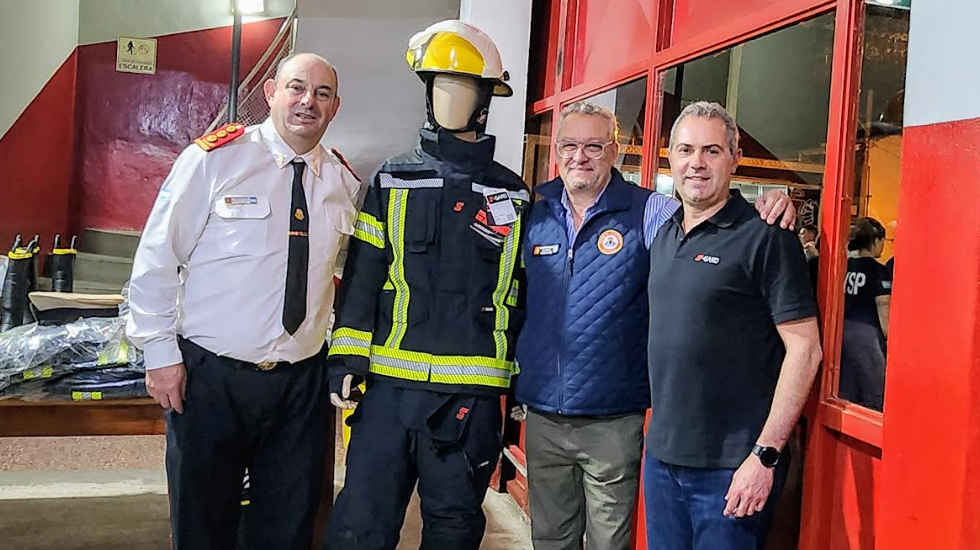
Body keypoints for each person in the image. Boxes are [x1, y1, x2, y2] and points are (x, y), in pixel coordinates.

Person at [513, 101, 797, 550]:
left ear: (615, 150)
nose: (579, 156)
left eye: (593, 145)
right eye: (568, 145)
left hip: (616, 420)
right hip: (547, 416)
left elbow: (708, 208)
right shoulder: (537, 214)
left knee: (610, 542)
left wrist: (772, 201)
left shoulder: (651, 214)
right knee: (549, 539)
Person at [126, 53, 361, 550]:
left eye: (321, 94)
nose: (307, 102)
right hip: (212, 380)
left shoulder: (342, 181)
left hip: (301, 386)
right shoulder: (216, 159)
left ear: (335, 107)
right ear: (272, 92)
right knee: (203, 519)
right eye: (297, 88)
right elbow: (157, 256)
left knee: (289, 523)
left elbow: (339, 275)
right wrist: (160, 354)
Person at [323, 21, 528, 549]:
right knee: (360, 527)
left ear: (485, 99)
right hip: (388, 393)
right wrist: (346, 360)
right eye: (437, 85)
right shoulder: (393, 180)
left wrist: (518, 385)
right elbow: (364, 279)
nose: (447, 99)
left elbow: (523, 294)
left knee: (454, 531)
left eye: (460, 87)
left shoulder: (513, 194)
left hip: (469, 401)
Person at [645, 101, 822, 550]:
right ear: (670, 156)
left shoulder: (766, 236)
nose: (696, 163)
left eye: (711, 151)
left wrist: (765, 456)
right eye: (686, 150)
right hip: (662, 462)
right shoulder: (664, 234)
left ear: (734, 158)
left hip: (732, 469)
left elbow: (806, 349)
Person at [839, 217, 891, 409]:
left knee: (847, 387)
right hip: (867, 336)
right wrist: (890, 337)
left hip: (842, 332)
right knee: (875, 391)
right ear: (876, 241)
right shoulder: (878, 271)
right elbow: (884, 305)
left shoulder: (845, 266)